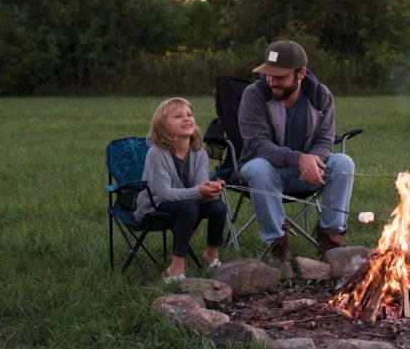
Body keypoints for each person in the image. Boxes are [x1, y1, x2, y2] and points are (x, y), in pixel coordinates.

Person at [238, 40, 354, 263]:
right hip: (268, 173)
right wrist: (298, 159)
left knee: (343, 162)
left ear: (300, 73)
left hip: (308, 174)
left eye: (280, 76)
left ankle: (330, 237)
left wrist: (312, 161)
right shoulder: (254, 94)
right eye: (268, 75)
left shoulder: (321, 95)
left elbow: (324, 140)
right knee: (258, 167)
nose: (271, 81)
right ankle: (277, 243)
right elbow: (258, 145)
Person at [134, 97, 226, 282]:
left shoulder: (199, 152)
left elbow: (199, 189)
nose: (186, 119)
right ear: (162, 126)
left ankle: (211, 255)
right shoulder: (157, 153)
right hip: (155, 205)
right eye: (178, 116)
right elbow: (164, 194)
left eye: (189, 115)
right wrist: (199, 191)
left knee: (218, 207)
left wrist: (211, 190)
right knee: (189, 208)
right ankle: (175, 268)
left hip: (187, 202)